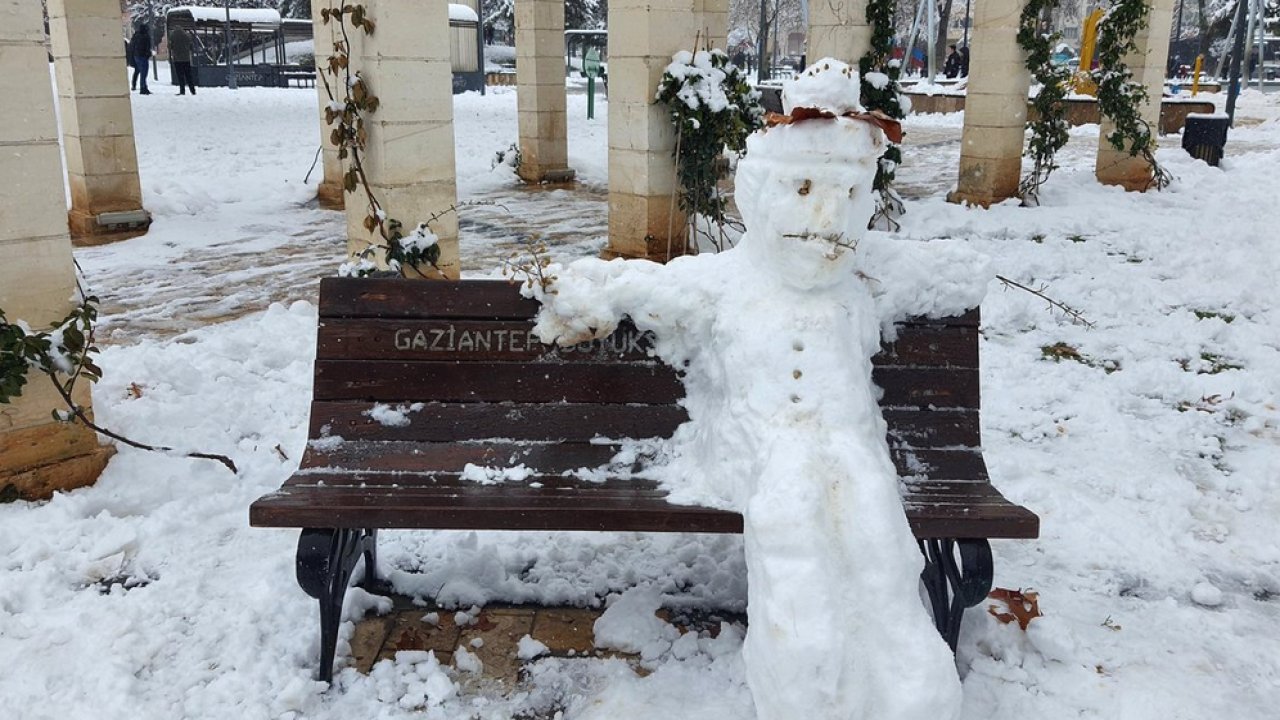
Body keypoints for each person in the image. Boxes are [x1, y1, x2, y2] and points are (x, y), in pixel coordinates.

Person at [168, 25, 196, 95]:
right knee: (188, 75)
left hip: (177, 59)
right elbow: (191, 47)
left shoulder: (172, 36)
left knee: (180, 76)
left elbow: (169, 46)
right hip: (186, 59)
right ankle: (193, 91)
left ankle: (182, 91)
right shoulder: (187, 35)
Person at [129, 24, 152, 95]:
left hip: (136, 56)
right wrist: (148, 54)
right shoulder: (145, 36)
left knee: (138, 71)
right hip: (143, 56)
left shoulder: (136, 36)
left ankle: (135, 85)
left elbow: (132, 46)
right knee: (144, 73)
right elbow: (147, 47)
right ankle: (143, 88)